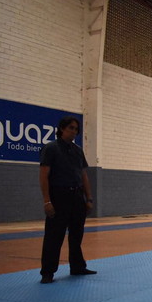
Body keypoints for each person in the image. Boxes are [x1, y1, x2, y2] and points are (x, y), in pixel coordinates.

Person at [39, 116, 96, 284]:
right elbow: (44, 176)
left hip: (77, 196)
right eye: (71, 128)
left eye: (76, 129)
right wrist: (47, 201)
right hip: (59, 196)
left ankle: (77, 266)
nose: (74, 132)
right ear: (62, 129)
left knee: (77, 234)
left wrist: (89, 198)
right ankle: (47, 272)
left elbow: (83, 175)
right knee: (54, 236)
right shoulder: (51, 148)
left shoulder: (78, 150)